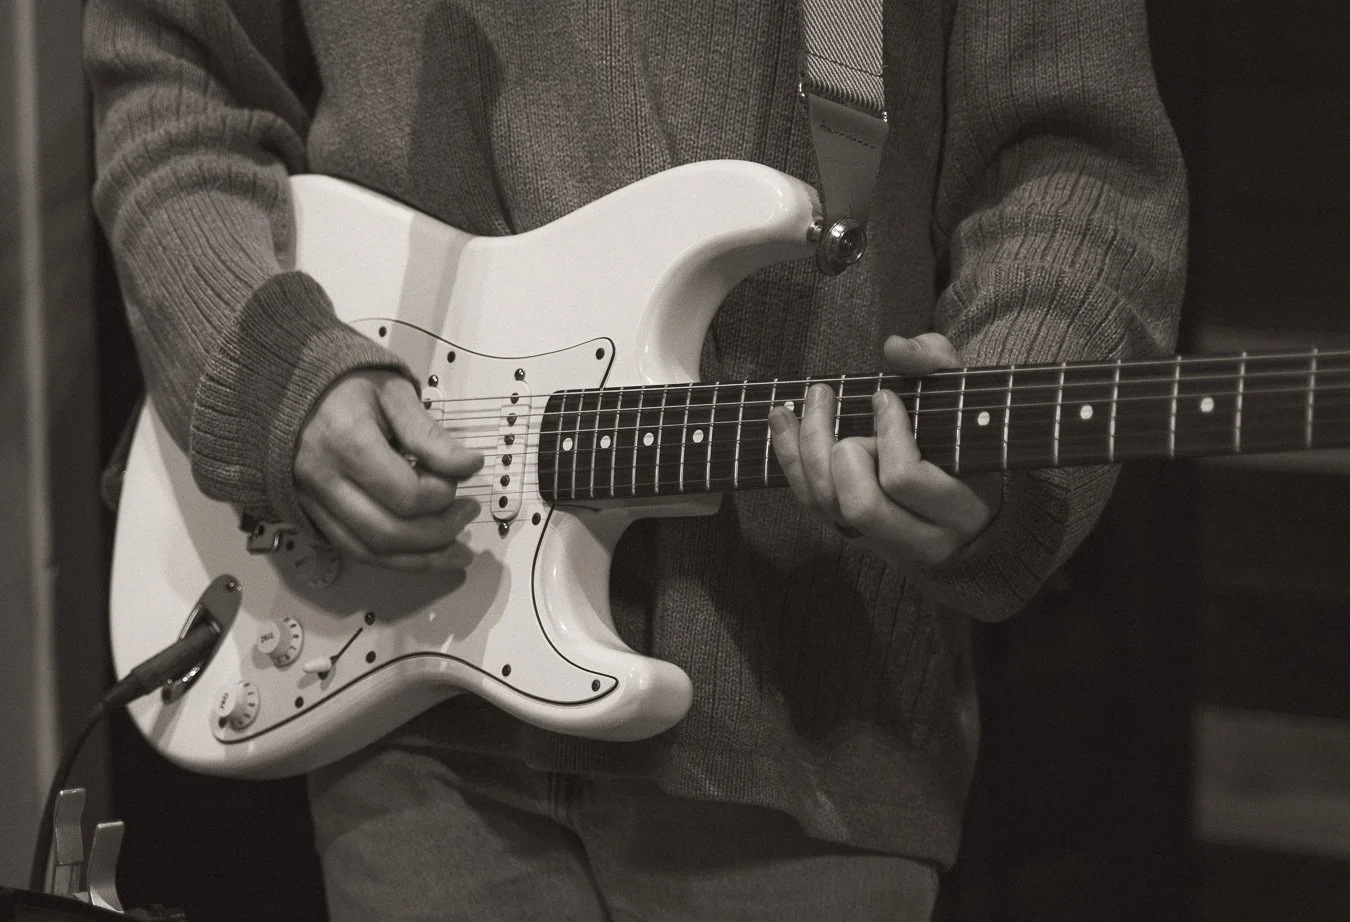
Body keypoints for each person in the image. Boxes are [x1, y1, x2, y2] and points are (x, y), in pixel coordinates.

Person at [83, 1, 1187, 919]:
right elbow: (172, 76)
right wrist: (275, 366)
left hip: (811, 717)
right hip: (403, 704)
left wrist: (1002, 411)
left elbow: (1074, 159)